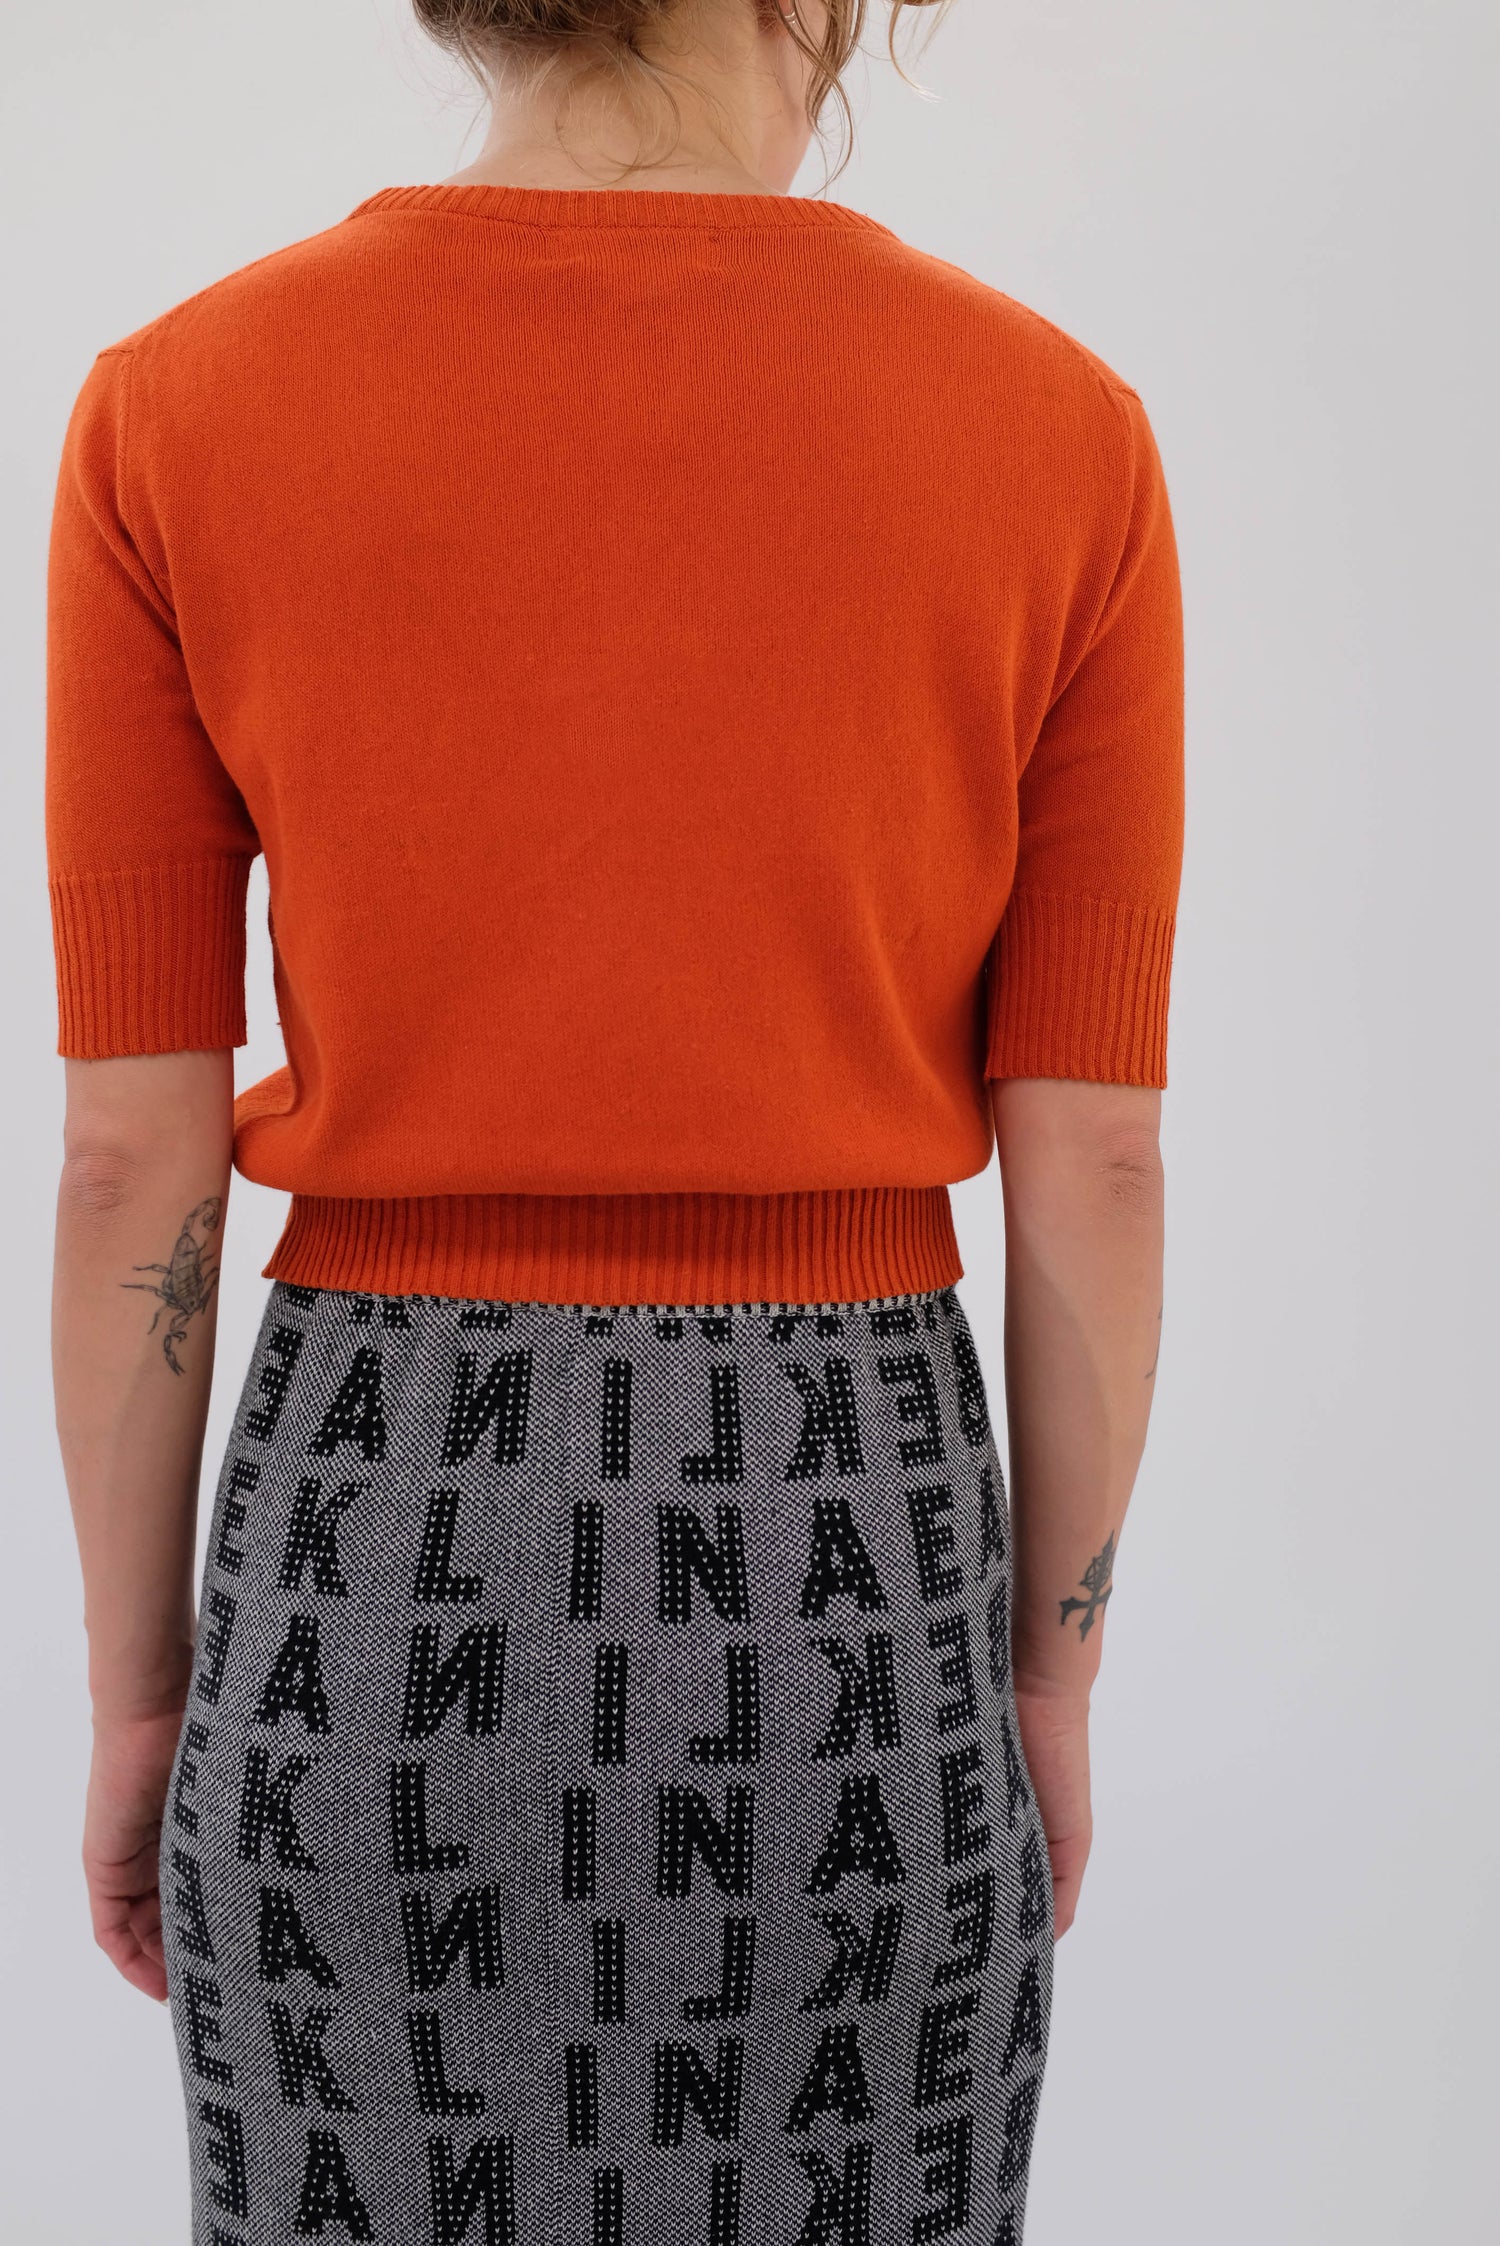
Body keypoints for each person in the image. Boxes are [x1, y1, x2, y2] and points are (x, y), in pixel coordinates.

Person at [45, 2, 1183, 2240]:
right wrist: (1046, 1676)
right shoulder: (1063, 433)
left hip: (369, 1573)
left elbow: (123, 1166)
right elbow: (1101, 1163)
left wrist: (141, 1704)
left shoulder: (174, 409)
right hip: (850, 1587)